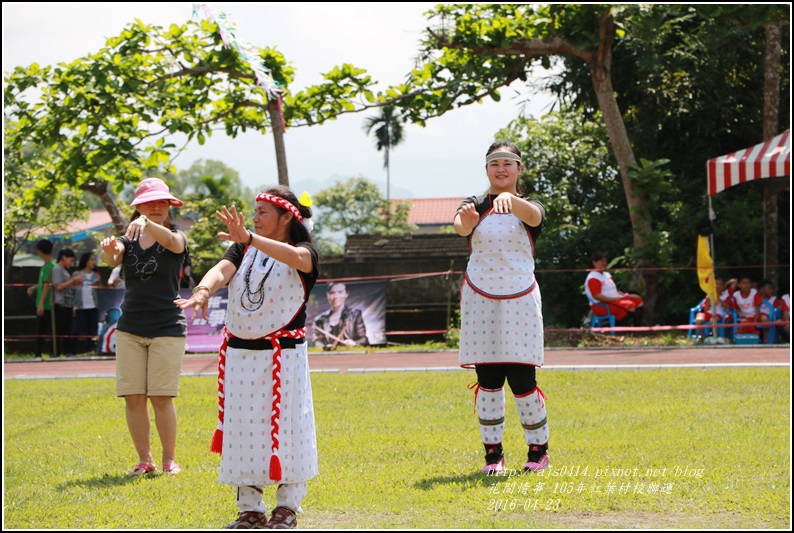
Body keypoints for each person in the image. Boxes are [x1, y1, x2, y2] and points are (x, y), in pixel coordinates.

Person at [176, 186, 318, 529]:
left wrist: (251, 237)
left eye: (262, 212)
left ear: (286, 217)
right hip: (240, 356)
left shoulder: (305, 251)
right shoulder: (244, 247)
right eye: (253, 211)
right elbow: (222, 270)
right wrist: (203, 290)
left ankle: (286, 509)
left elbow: (299, 261)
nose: (254, 217)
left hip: (283, 357)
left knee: (288, 430)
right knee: (241, 430)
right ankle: (249, 509)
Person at [453, 140, 550, 475]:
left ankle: (539, 451)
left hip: (520, 300)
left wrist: (513, 202)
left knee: (522, 378)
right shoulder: (475, 204)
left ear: (519, 169)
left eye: (508, 163)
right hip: (481, 299)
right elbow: (461, 226)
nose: (501, 169)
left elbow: (534, 216)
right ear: (487, 170)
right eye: (495, 163)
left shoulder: (530, 205)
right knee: (489, 379)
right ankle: (493, 455)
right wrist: (466, 219)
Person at [99, 177, 187, 477]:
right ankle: (144, 459)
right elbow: (112, 258)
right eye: (151, 202)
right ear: (139, 206)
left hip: (167, 326)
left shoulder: (176, 236)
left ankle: (169, 459)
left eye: (163, 202)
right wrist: (109, 248)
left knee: (161, 397)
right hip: (130, 328)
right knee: (133, 396)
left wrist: (147, 225)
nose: (158, 206)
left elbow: (171, 243)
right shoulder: (128, 237)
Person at [584, 252, 644, 326]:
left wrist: (627, 296)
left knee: (638, 300)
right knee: (630, 305)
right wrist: (614, 299)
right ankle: (614, 326)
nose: (604, 263)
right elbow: (596, 295)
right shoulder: (593, 277)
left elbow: (616, 290)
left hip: (615, 300)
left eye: (605, 261)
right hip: (601, 304)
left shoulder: (607, 275)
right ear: (594, 263)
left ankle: (637, 327)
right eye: (602, 261)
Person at [312, 282, 369, 349]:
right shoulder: (319, 319)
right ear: (327, 295)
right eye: (332, 293)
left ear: (346, 294)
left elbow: (364, 339)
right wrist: (326, 347)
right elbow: (316, 341)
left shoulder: (355, 314)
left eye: (340, 292)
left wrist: (354, 343)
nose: (336, 296)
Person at [28, 239, 56, 358]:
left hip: (47, 304)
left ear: (40, 251)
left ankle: (39, 353)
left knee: (42, 330)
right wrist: (34, 288)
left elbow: (47, 286)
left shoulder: (49, 267)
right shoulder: (47, 265)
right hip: (45, 303)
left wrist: (40, 304)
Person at [52, 248, 80, 357]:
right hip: (61, 304)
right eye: (71, 260)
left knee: (68, 330)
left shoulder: (64, 271)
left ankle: (67, 352)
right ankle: (58, 353)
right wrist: (73, 280)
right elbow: (58, 286)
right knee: (61, 331)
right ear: (63, 258)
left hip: (68, 304)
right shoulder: (57, 269)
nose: (71, 263)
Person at [73, 252, 101, 353]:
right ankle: (73, 351)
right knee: (77, 329)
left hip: (93, 306)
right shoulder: (78, 274)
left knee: (92, 329)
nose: (93, 262)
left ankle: (89, 350)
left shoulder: (96, 275)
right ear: (86, 261)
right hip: (80, 306)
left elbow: (98, 289)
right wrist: (73, 305)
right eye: (91, 260)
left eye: (94, 260)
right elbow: (73, 290)